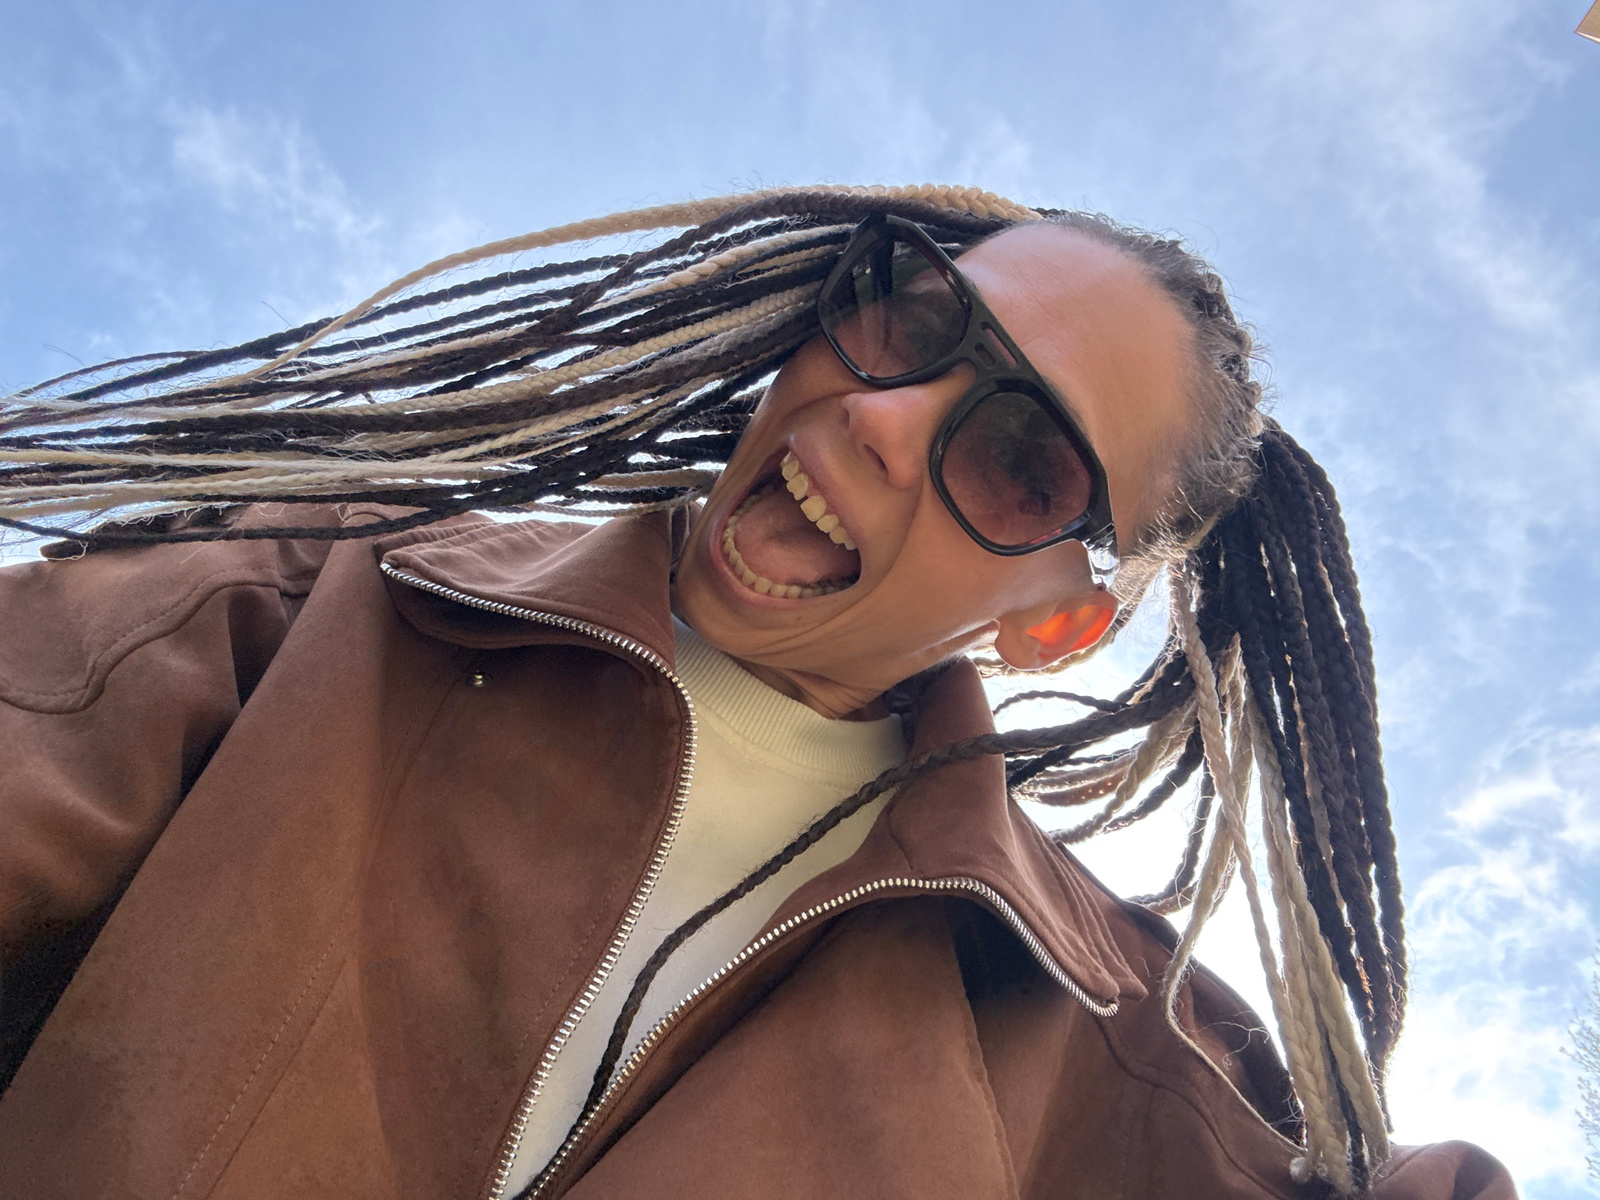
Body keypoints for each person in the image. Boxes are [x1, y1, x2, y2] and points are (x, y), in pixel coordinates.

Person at [0, 184, 1513, 1198]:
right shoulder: (326, 588)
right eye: (910, 315)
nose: (882, 414)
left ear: (1057, 625)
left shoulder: (1105, 1033)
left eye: (1019, 456)